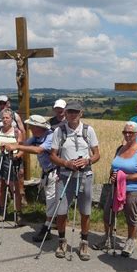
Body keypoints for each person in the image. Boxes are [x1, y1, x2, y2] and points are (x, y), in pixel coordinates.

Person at [50, 100, 100, 261]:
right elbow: (52, 155)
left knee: (85, 211)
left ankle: (84, 242)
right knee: (62, 211)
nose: (72, 115)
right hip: (65, 175)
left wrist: (87, 161)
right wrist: (66, 163)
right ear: (65, 113)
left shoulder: (88, 130)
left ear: (81, 113)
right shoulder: (59, 131)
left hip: (85, 175)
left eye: (75, 112)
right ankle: (62, 241)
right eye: (69, 111)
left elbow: (97, 154)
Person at [93, 121, 137, 258]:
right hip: (115, 188)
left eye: (131, 133)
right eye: (125, 132)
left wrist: (124, 177)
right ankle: (108, 238)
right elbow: (114, 166)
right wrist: (112, 174)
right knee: (107, 214)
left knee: (131, 217)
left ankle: (130, 241)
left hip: (133, 189)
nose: (127, 135)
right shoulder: (119, 149)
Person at [5, 115, 56, 239]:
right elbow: (24, 145)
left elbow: (38, 150)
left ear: (39, 127)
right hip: (47, 171)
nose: (30, 129)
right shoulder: (36, 136)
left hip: (56, 171)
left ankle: (47, 228)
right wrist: (11, 147)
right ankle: (52, 224)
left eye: (32, 126)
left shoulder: (50, 136)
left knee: (51, 200)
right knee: (51, 200)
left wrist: (17, 147)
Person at [0, 95, 27, 206]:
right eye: (0, 103)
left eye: (4, 103)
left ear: (8, 103)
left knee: (16, 179)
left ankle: (20, 200)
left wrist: (20, 150)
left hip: (13, 155)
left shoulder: (15, 116)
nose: (2, 105)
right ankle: (2, 206)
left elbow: (22, 131)